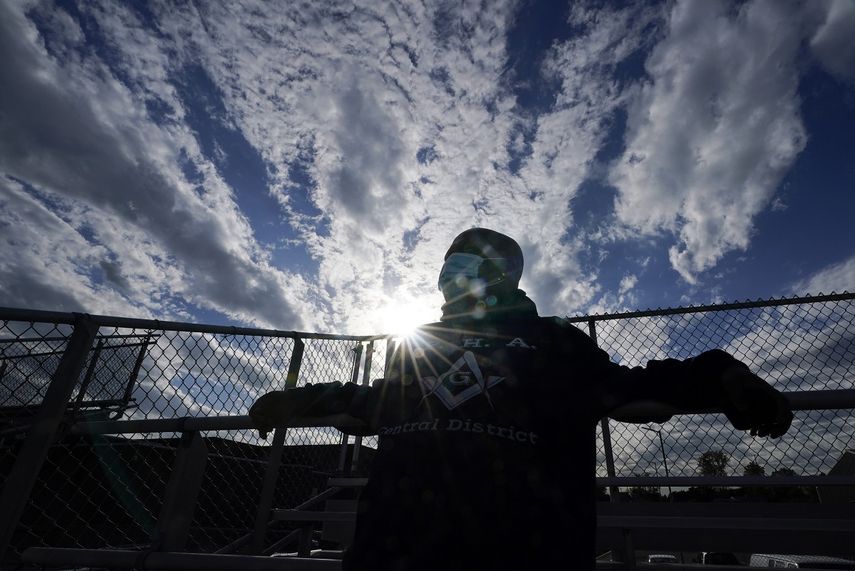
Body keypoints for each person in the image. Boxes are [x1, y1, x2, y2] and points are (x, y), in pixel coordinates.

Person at [249, 228, 793, 571]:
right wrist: (296, 399)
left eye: (468, 262)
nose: (450, 274)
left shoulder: (552, 341)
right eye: (449, 262)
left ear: (504, 275)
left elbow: (632, 390)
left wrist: (722, 374)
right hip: (394, 551)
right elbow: (373, 404)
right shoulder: (418, 345)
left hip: (518, 552)